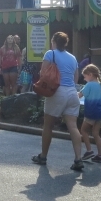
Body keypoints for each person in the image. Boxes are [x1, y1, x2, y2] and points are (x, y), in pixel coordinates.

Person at [31, 32, 84, 171]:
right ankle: (78, 159)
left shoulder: (50, 54)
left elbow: (43, 73)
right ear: (66, 43)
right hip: (72, 93)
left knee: (48, 125)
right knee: (73, 127)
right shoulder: (73, 58)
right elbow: (76, 78)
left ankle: (43, 156)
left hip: (57, 91)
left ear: (53, 41)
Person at [78, 64, 101, 164]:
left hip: (90, 112)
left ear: (90, 74)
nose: (84, 79)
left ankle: (89, 150)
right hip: (100, 113)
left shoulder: (89, 85)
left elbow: (79, 95)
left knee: (83, 130)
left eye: (85, 76)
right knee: (96, 134)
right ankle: (100, 155)